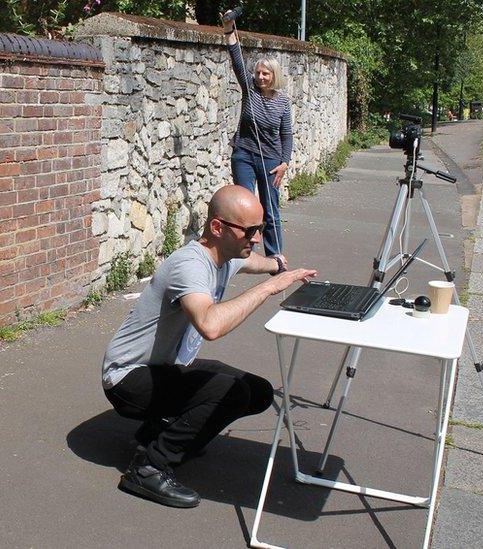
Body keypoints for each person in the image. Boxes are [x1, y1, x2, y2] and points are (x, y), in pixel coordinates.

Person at [102, 185, 317, 508]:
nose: (256, 238)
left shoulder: (227, 255)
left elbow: (254, 263)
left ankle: (155, 433)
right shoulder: (190, 265)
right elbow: (210, 325)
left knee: (256, 391)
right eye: (250, 231)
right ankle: (149, 467)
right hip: (128, 379)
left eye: (260, 229)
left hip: (163, 370)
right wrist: (270, 288)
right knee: (229, 393)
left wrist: (277, 266)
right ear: (217, 228)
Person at [223, 13, 293, 263]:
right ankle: (243, 256)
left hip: (271, 160)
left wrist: (285, 161)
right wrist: (229, 30)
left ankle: (275, 256)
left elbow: (286, 134)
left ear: (274, 76)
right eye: (259, 73)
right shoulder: (249, 90)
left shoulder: (283, 101)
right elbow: (237, 61)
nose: (261, 77)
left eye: (266, 74)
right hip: (243, 154)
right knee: (244, 207)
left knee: (271, 209)